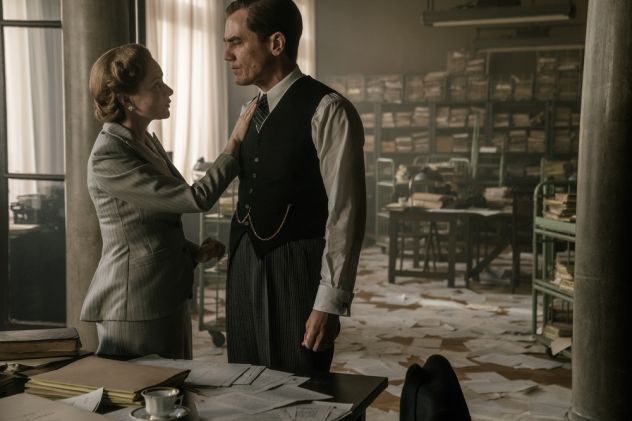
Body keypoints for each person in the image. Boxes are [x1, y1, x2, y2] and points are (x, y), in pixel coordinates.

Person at [79, 43, 256, 359]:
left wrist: (194, 252)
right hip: (134, 304)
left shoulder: (144, 141)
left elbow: (146, 226)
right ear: (126, 99)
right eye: (156, 84)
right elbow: (195, 198)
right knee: (146, 388)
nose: (169, 90)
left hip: (162, 295)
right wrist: (234, 143)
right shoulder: (109, 155)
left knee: (176, 384)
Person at [223, 0, 366, 373]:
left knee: (298, 389)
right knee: (242, 381)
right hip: (243, 264)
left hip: (296, 268)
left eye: (237, 42)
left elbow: (345, 212)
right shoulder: (249, 111)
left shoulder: (328, 109)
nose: (227, 55)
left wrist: (329, 301)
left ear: (276, 43)